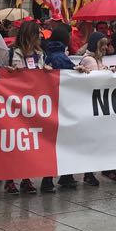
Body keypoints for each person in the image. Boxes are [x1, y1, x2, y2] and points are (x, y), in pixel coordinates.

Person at [76, 32, 116, 184]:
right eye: (102, 45)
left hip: (99, 105)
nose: (105, 48)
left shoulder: (96, 59)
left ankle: (104, 169)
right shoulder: (89, 60)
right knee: (95, 140)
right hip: (93, 106)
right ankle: (90, 173)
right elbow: (97, 79)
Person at [7, 21, 47, 194]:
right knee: (14, 142)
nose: (39, 36)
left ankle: (26, 178)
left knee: (29, 142)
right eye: (36, 33)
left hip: (33, 102)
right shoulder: (14, 52)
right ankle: (9, 179)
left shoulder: (40, 53)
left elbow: (39, 74)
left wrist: (46, 71)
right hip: (16, 102)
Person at [43, 23, 79, 191]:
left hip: (52, 102)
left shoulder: (49, 52)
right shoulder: (59, 56)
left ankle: (63, 177)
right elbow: (69, 72)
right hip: (61, 103)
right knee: (61, 142)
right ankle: (50, 179)